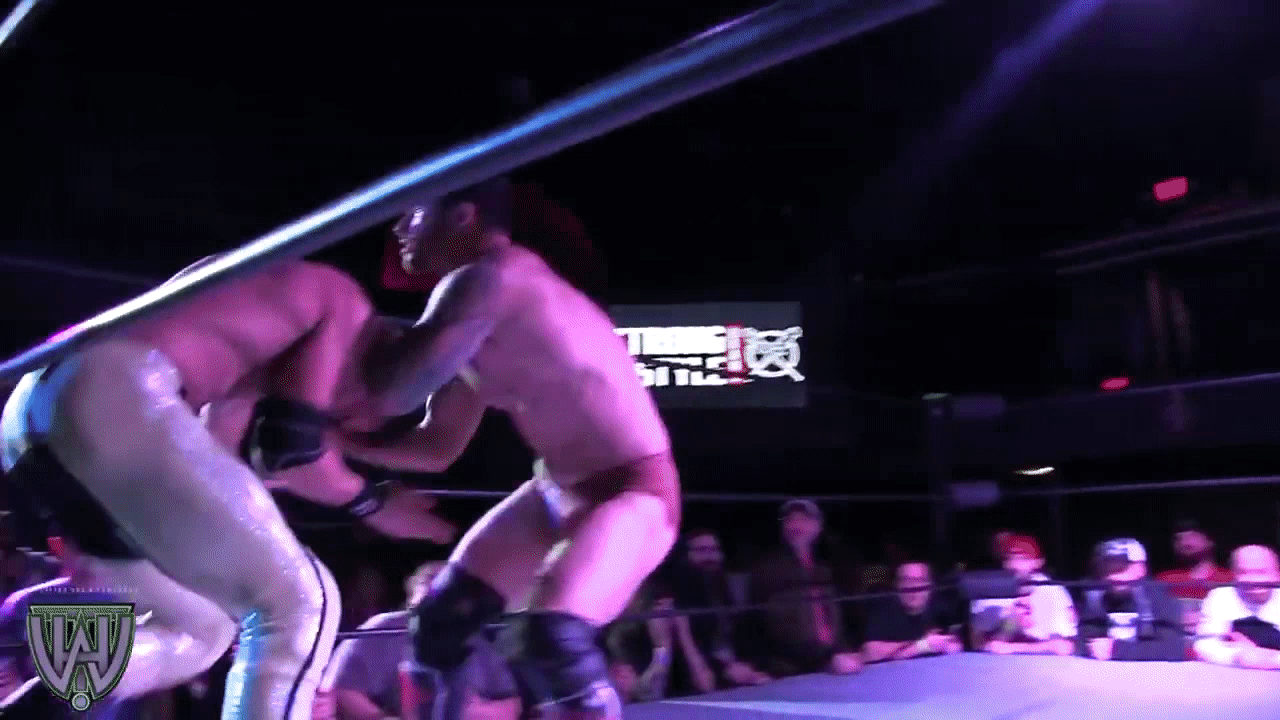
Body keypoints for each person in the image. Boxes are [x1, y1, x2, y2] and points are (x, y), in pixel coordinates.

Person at [0, 257, 449, 719]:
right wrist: (374, 502)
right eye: (356, 417)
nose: (339, 422)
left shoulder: (250, 334)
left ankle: (48, 698)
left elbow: (217, 460)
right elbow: (293, 447)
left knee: (204, 629)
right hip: (109, 388)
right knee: (299, 603)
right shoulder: (342, 302)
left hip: (36, 416)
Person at [344, 178, 680, 720]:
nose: (399, 227)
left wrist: (343, 339)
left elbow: (393, 392)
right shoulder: (468, 321)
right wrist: (342, 443)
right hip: (555, 488)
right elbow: (437, 446)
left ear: (462, 216)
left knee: (550, 638)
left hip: (632, 490)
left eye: (414, 213)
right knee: (439, 625)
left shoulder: (490, 280)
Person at [321, 561, 518, 720]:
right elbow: (339, 689)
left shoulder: (476, 637)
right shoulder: (386, 628)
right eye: (431, 582)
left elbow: (511, 705)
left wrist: (476, 711)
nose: (440, 590)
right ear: (412, 594)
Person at [1077, 538, 1185, 661]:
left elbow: (1174, 649)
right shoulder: (1094, 598)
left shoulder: (1159, 598)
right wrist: (1082, 647)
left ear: (1141, 569)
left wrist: (1117, 649)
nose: (1111, 576)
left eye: (1119, 567)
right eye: (1105, 567)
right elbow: (1085, 639)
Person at [1193, 545, 1280, 669]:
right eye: (1244, 572)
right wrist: (1239, 656)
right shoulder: (1221, 596)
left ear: (1277, 574)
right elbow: (1203, 646)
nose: (1252, 580)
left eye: (1261, 572)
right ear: (1234, 574)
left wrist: (1266, 657)